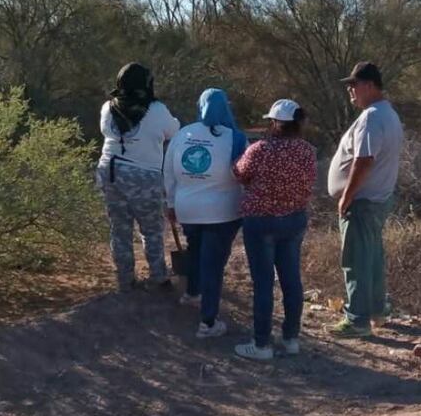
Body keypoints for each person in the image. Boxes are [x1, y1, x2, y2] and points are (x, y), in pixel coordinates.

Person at [232, 99, 317, 360]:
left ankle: (261, 345)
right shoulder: (307, 151)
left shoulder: (259, 150)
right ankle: (291, 338)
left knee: (263, 283)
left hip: (261, 221)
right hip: (293, 219)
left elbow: (239, 173)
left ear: (276, 123)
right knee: (291, 280)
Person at [326, 62, 403, 339]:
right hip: (376, 199)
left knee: (356, 260)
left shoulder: (372, 117)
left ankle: (357, 320)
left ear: (369, 85)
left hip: (363, 201)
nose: (350, 90)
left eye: (354, 85)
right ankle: (377, 309)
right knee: (372, 257)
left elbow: (364, 159)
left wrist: (346, 196)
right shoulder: (388, 114)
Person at [164, 88, 247, 338]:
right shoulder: (236, 138)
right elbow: (245, 174)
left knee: (196, 251)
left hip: (187, 207)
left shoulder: (183, 134)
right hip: (223, 212)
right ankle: (208, 322)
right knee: (213, 264)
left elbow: (168, 171)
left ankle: (192, 293)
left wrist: (170, 203)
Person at [96, 62, 180, 292]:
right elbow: (173, 131)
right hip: (143, 174)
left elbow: (107, 131)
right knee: (151, 228)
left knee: (120, 228)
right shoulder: (157, 109)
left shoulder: (107, 107)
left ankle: (125, 280)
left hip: (110, 171)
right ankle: (158, 277)